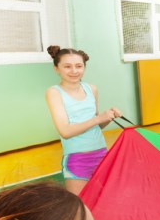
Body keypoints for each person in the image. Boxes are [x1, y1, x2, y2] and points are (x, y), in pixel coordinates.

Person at [45, 45, 120, 195]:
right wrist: (98, 118)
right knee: (80, 207)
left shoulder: (91, 89)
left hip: (101, 154)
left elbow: (97, 126)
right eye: (67, 66)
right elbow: (65, 131)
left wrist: (109, 117)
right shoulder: (54, 92)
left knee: (103, 201)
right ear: (56, 69)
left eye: (78, 66)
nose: (74, 71)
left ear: (84, 67)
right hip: (77, 159)